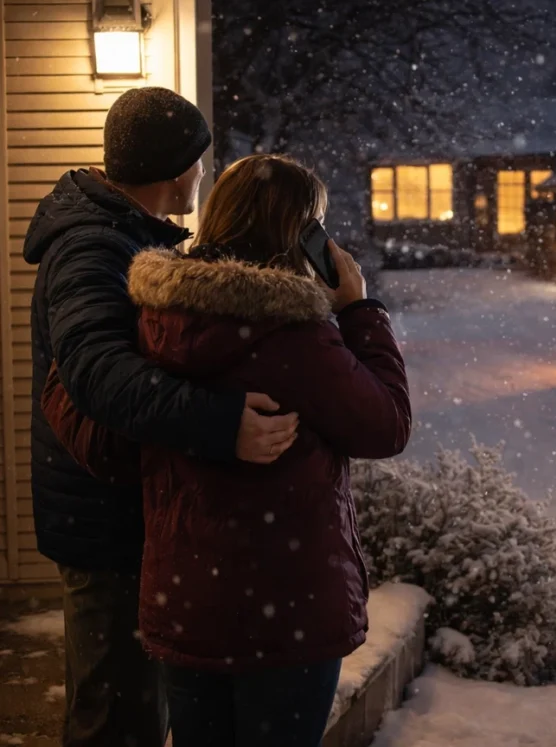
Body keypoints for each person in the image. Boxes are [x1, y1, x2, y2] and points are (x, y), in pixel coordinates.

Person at [42, 153, 412, 746]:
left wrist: (79, 382)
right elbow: (387, 426)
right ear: (298, 235)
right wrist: (360, 310)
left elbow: (103, 442)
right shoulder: (298, 336)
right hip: (290, 617)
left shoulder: (154, 324)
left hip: (188, 607)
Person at [22, 88, 300, 747]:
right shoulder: (94, 249)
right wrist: (220, 421)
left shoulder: (124, 236)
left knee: (134, 709)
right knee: (116, 720)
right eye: (199, 160)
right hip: (102, 523)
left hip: (115, 513)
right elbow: (97, 372)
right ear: (177, 169)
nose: (203, 173)